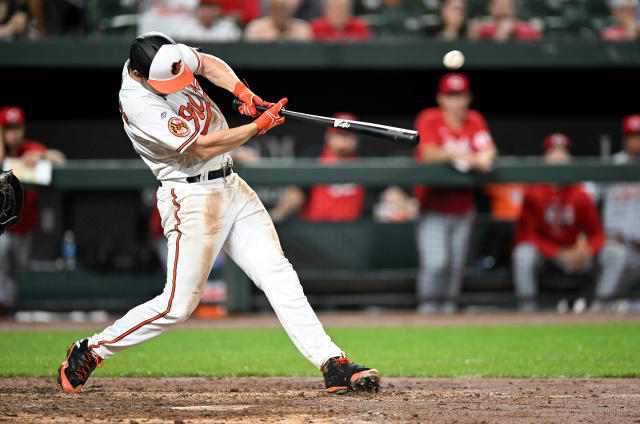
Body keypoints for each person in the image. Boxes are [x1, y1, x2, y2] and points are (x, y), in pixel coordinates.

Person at [56, 31, 380, 396]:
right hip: (190, 195)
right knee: (178, 305)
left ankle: (331, 362)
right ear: (141, 76)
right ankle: (91, 349)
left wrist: (245, 95)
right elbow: (202, 146)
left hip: (231, 184)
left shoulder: (167, 55)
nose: (180, 82)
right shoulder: (137, 103)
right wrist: (258, 126)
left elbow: (208, 64)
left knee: (278, 274)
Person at [413, 73, 496, 314]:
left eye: (460, 95)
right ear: (441, 98)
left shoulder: (474, 119)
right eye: (451, 96)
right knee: (436, 264)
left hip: (463, 206)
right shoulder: (430, 118)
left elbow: (488, 150)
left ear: (468, 97)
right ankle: (427, 312)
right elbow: (428, 153)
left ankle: (448, 317)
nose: (456, 101)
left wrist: (483, 157)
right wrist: (460, 156)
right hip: (433, 205)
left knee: (455, 267)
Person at [512, 134, 606, 312]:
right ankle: (527, 313)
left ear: (570, 159)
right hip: (545, 254)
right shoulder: (533, 192)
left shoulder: (581, 193)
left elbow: (598, 234)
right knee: (523, 254)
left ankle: (599, 312)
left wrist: (586, 251)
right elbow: (525, 235)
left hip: (574, 257)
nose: (558, 156)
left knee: (610, 256)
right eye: (552, 152)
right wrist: (556, 252)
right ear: (544, 158)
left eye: (562, 152)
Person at [0, 106, 65, 315]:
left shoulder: (29, 148)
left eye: (17, 128)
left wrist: (42, 155)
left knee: (18, 271)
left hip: (24, 226)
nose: (13, 133)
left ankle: (7, 308)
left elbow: (60, 158)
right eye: (8, 128)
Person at [267, 113, 367, 223]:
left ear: (357, 138)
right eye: (339, 134)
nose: (343, 139)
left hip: (353, 228)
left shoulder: (365, 159)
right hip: (316, 228)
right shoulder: (313, 156)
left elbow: (385, 194)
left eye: (348, 135)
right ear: (329, 136)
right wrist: (278, 213)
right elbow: (296, 193)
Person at [594, 114, 640, 310]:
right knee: (617, 255)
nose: (637, 141)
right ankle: (597, 313)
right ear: (625, 138)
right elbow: (586, 198)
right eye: (633, 136)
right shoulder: (612, 166)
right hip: (617, 244)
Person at [469, 0, 541, 41]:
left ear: (513, 6)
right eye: (497, 3)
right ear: (490, 7)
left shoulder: (527, 29)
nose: (501, 6)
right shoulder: (482, 29)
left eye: (505, 3)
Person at [171, 0, 242, 42]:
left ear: (218, 10)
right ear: (198, 9)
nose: (208, 11)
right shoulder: (185, 28)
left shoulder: (228, 28)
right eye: (205, 7)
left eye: (212, 7)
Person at [244, 0, 311, 41]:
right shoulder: (256, 28)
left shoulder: (302, 28)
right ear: (269, 11)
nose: (279, 14)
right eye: (275, 10)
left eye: (283, 10)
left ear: (290, 12)